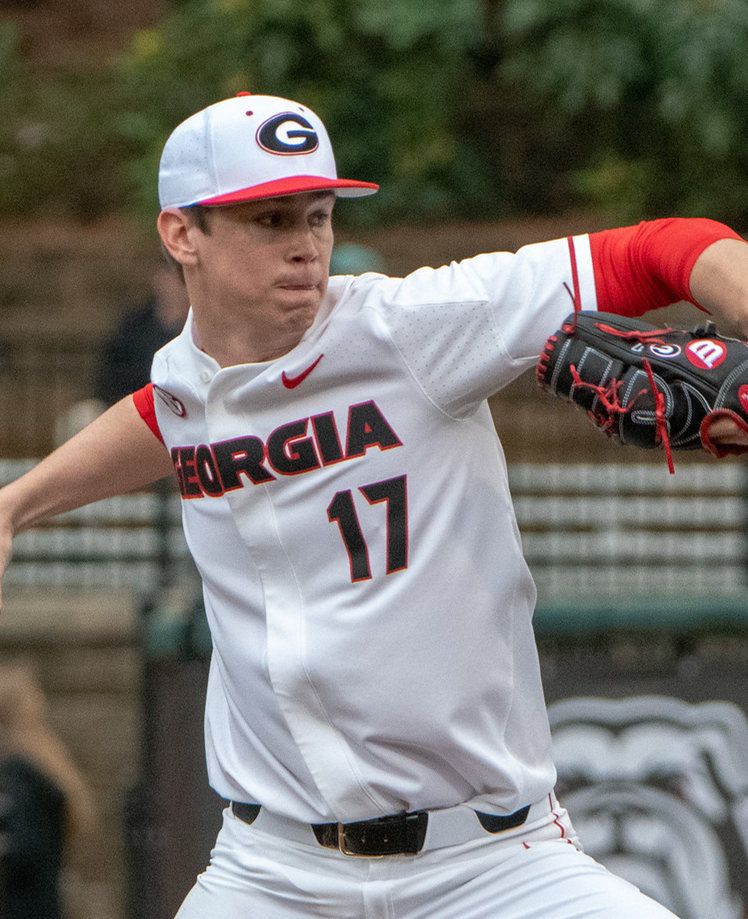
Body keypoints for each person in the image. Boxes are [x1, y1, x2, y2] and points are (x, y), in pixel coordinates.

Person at [1, 92, 747, 919]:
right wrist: (18, 504)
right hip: (271, 870)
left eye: (316, 216)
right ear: (182, 234)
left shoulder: (413, 329)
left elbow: (664, 248)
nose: (305, 247)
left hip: (493, 864)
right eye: (270, 220)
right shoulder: (186, 379)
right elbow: (165, 414)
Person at [94, 264, 190, 407]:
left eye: (181, 280)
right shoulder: (134, 327)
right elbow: (110, 378)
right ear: (158, 278)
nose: (174, 286)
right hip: (133, 405)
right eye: (170, 277)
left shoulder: (199, 328)